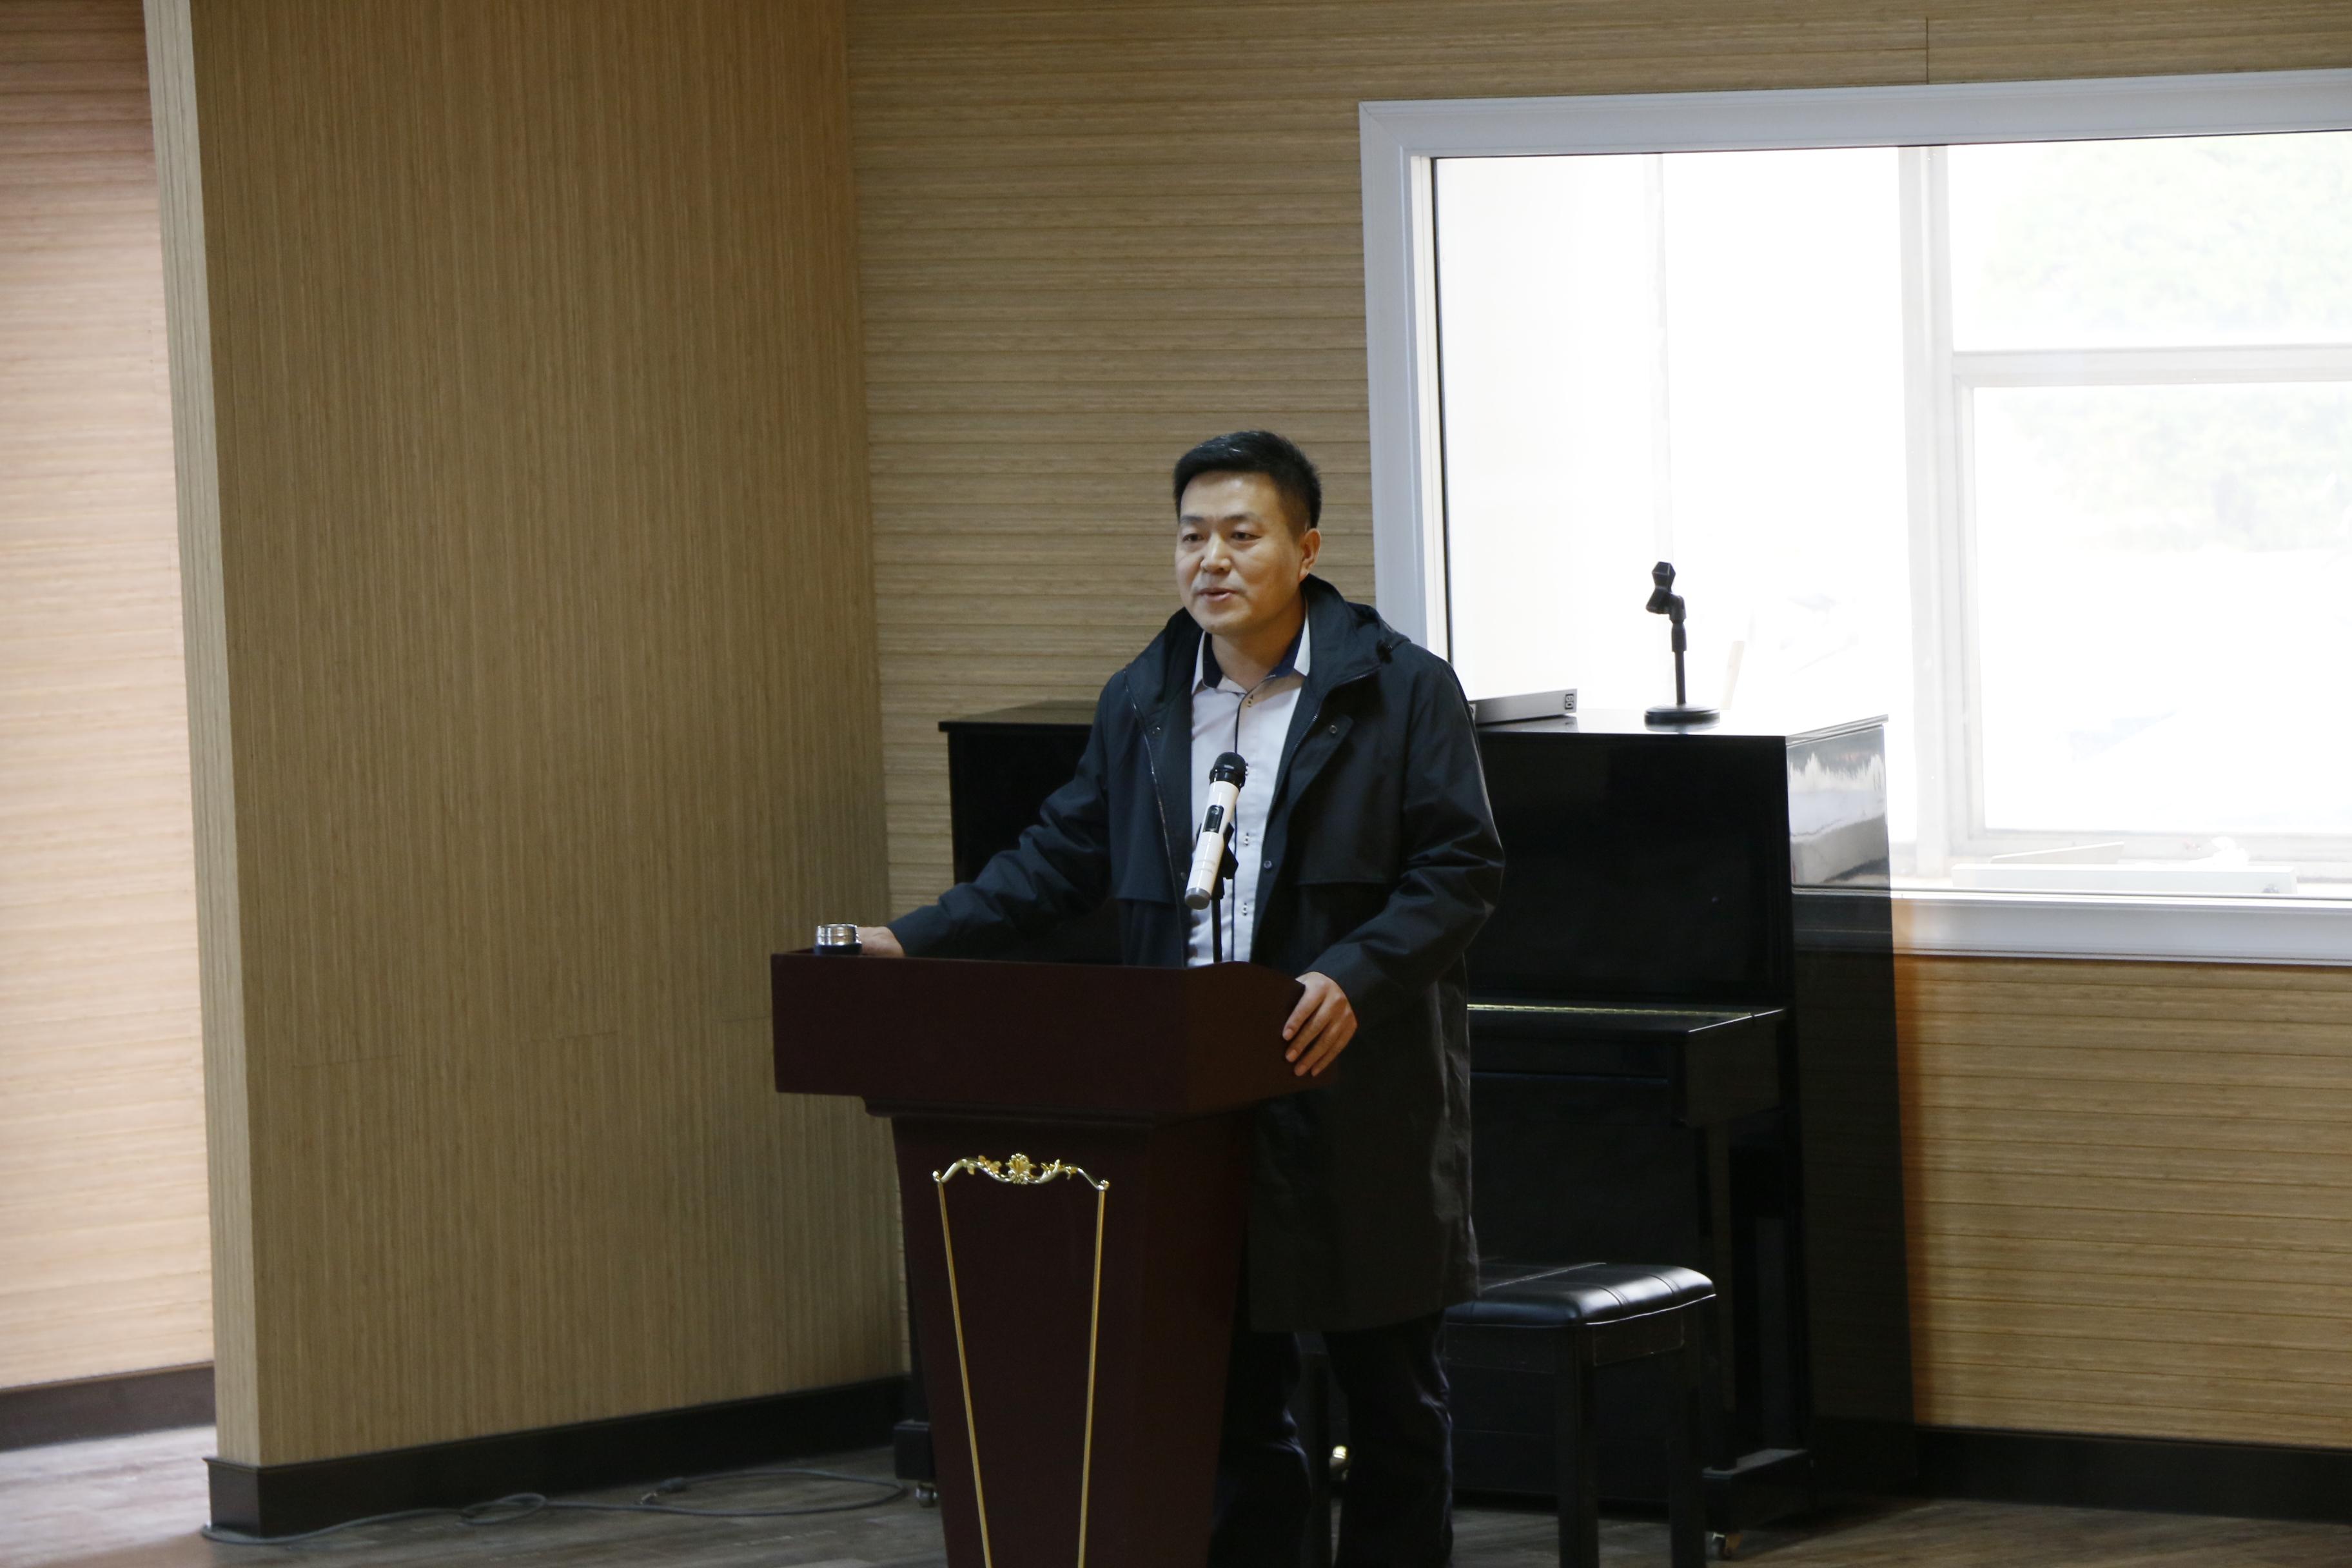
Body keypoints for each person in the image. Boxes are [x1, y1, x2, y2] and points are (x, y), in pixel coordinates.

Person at [857, 429, 1504, 1568]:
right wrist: (909, 941)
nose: (1212, 559)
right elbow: (1060, 859)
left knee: (1393, 1400)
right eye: (1192, 536)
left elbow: (1460, 869)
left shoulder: (1401, 689)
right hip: (1192, 1101)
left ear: (1307, 548)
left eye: (1242, 535)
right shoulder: (1146, 698)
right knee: (1226, 1400)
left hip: (1356, 1089)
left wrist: (1352, 974)